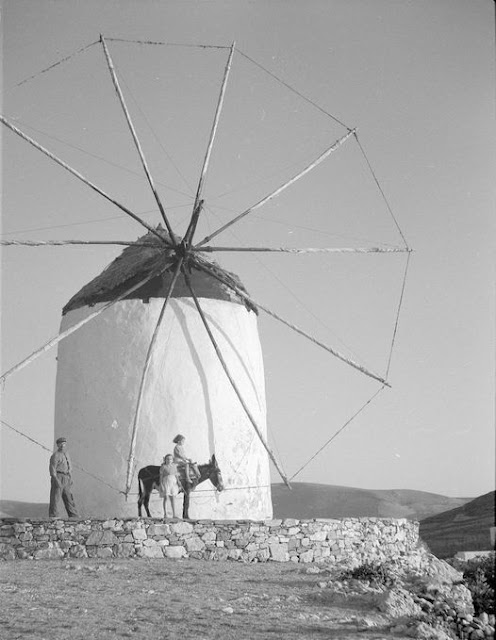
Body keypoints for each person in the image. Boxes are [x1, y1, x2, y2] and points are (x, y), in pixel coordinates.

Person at [49, 436, 79, 519]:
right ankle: (53, 515)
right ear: (58, 445)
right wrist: (56, 480)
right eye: (60, 444)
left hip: (66, 477)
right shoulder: (55, 455)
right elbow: (52, 469)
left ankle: (73, 515)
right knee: (55, 496)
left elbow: (70, 467)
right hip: (58, 476)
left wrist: (70, 478)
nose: (62, 446)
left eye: (64, 444)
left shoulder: (66, 454)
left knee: (68, 496)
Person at [159, 454, 182, 519]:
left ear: (172, 460)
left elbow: (176, 475)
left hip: (173, 482)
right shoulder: (163, 467)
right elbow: (161, 476)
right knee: (166, 497)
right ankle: (165, 514)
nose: (169, 460)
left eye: (170, 459)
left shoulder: (174, 466)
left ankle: (174, 514)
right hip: (166, 482)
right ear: (165, 460)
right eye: (167, 459)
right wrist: (161, 484)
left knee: (173, 498)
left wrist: (178, 482)